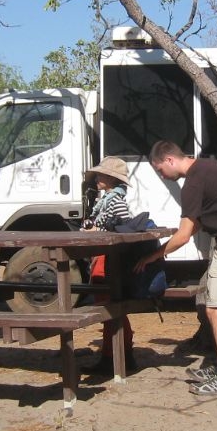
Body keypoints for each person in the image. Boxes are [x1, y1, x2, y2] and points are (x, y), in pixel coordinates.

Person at [135, 140, 217, 397]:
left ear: (170, 160)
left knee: (215, 309)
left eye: (160, 169)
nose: (162, 175)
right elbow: (194, 224)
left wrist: (155, 255)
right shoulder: (210, 167)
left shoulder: (193, 182)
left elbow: (184, 235)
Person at [79, 156, 137, 376]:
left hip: (109, 258)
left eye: (101, 174)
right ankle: (119, 354)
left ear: (111, 179)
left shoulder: (115, 201)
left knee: (108, 305)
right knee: (108, 304)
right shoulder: (106, 200)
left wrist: (97, 233)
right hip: (103, 256)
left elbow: (124, 226)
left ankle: (112, 356)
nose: (96, 178)